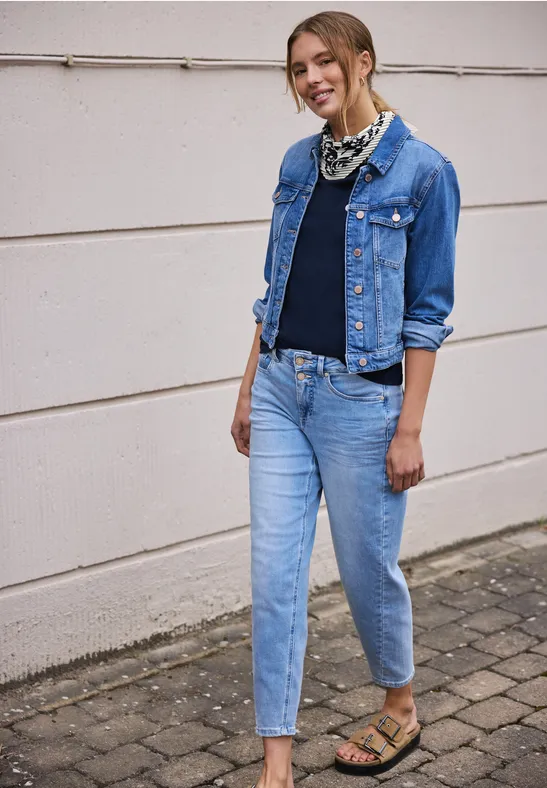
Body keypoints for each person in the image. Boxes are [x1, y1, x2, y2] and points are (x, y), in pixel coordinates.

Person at [231, 9, 460, 786]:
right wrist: (245, 389)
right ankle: (276, 763)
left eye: (325, 62)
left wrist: (410, 427)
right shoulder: (298, 163)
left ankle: (399, 705)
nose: (313, 78)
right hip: (279, 387)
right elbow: (275, 289)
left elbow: (428, 311)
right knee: (273, 576)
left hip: (364, 403)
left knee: (367, 571)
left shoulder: (421, 171)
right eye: (299, 69)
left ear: (363, 62)